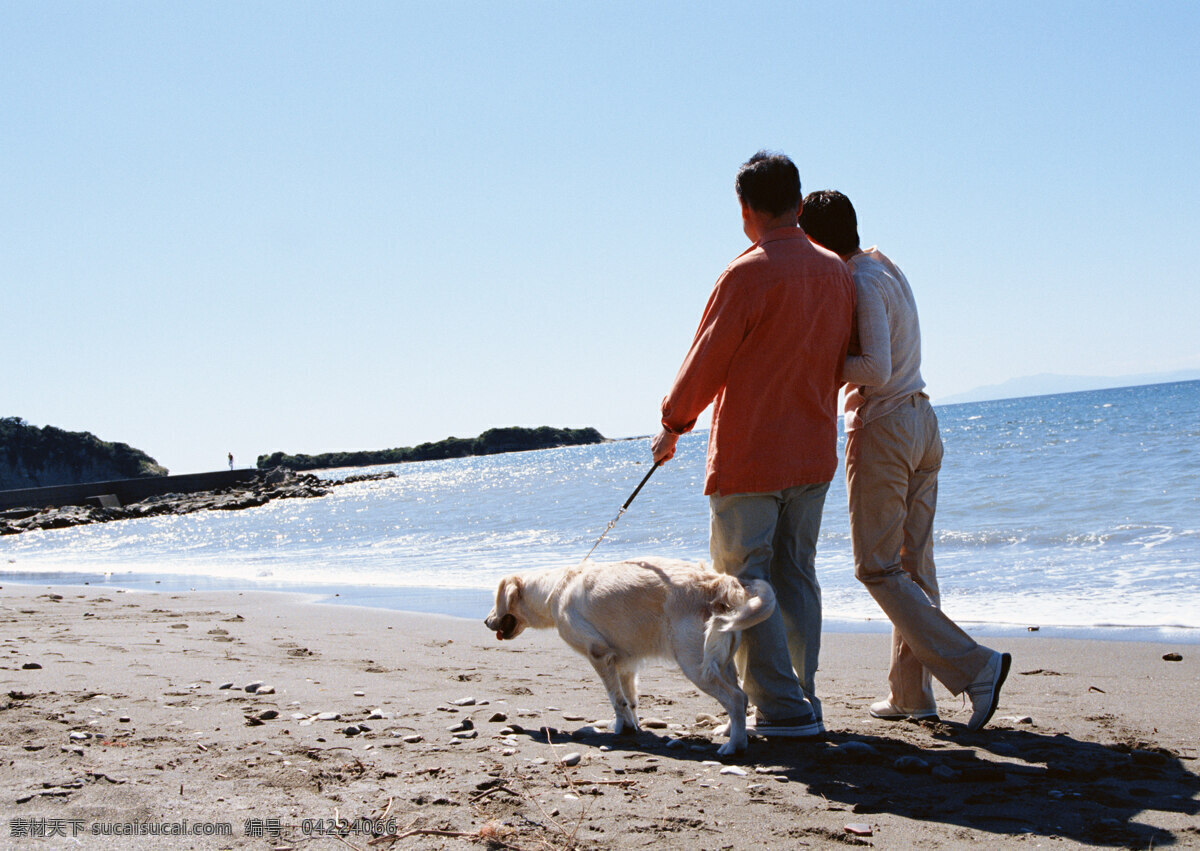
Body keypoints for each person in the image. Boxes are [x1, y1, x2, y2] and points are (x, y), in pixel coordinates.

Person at [652, 152, 855, 737]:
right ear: (798, 199)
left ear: (745, 209)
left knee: (747, 583)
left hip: (750, 457)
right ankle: (801, 697)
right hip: (814, 449)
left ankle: (782, 709)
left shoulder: (745, 274)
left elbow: (704, 364)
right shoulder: (836, 272)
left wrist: (673, 424)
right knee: (796, 575)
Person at [799, 190, 1010, 730]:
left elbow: (872, 366)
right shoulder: (884, 264)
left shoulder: (860, 279)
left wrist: (814, 362)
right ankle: (910, 695)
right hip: (922, 422)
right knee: (913, 566)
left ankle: (976, 667)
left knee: (876, 567)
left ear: (817, 239)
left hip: (886, 424)